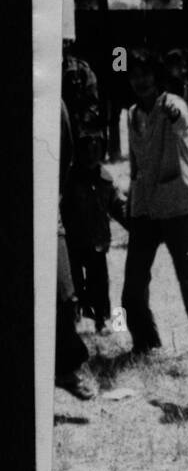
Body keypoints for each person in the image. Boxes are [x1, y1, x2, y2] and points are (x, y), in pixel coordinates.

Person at [121, 48, 188, 354]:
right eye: (134, 76)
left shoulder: (172, 104)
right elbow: (135, 165)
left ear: (156, 77)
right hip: (145, 207)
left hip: (178, 204)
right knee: (132, 283)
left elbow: (184, 121)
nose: (140, 81)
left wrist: (175, 114)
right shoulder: (131, 114)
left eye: (145, 75)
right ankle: (145, 343)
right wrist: (131, 204)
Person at [61, 131, 128, 334]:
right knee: (74, 284)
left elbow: (117, 205)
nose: (91, 154)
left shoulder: (105, 178)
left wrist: (135, 224)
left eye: (96, 149)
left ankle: (105, 321)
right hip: (72, 242)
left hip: (97, 241)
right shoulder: (67, 179)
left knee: (99, 282)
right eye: (86, 150)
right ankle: (74, 321)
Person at [56, 101, 99, 399]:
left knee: (61, 292)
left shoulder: (53, 104)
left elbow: (64, 151)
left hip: (43, 206)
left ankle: (66, 369)